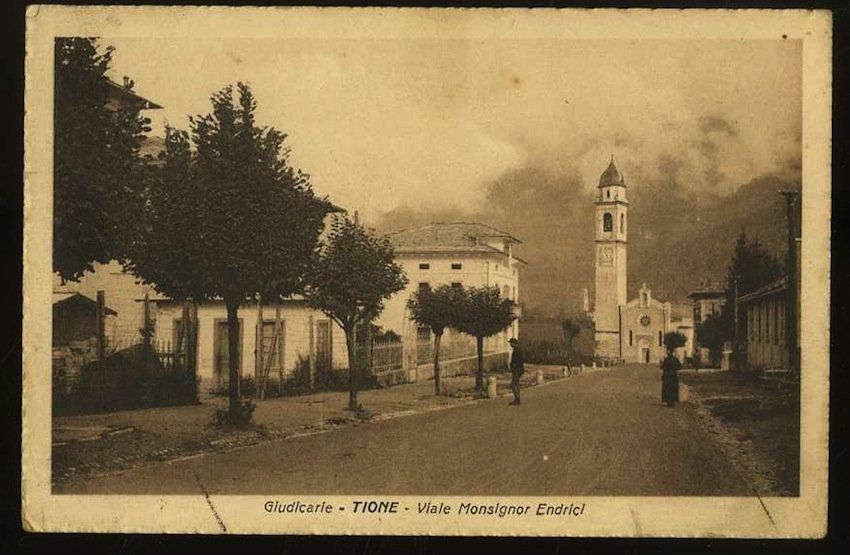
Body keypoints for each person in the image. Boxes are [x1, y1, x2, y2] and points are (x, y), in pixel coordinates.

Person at [508, 338, 525, 405]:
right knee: (516, 383)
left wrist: (512, 366)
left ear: (513, 343)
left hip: (516, 369)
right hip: (519, 369)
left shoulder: (517, 350)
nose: (510, 344)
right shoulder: (519, 349)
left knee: (513, 384)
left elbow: (516, 361)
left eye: (511, 343)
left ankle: (517, 398)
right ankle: (517, 398)